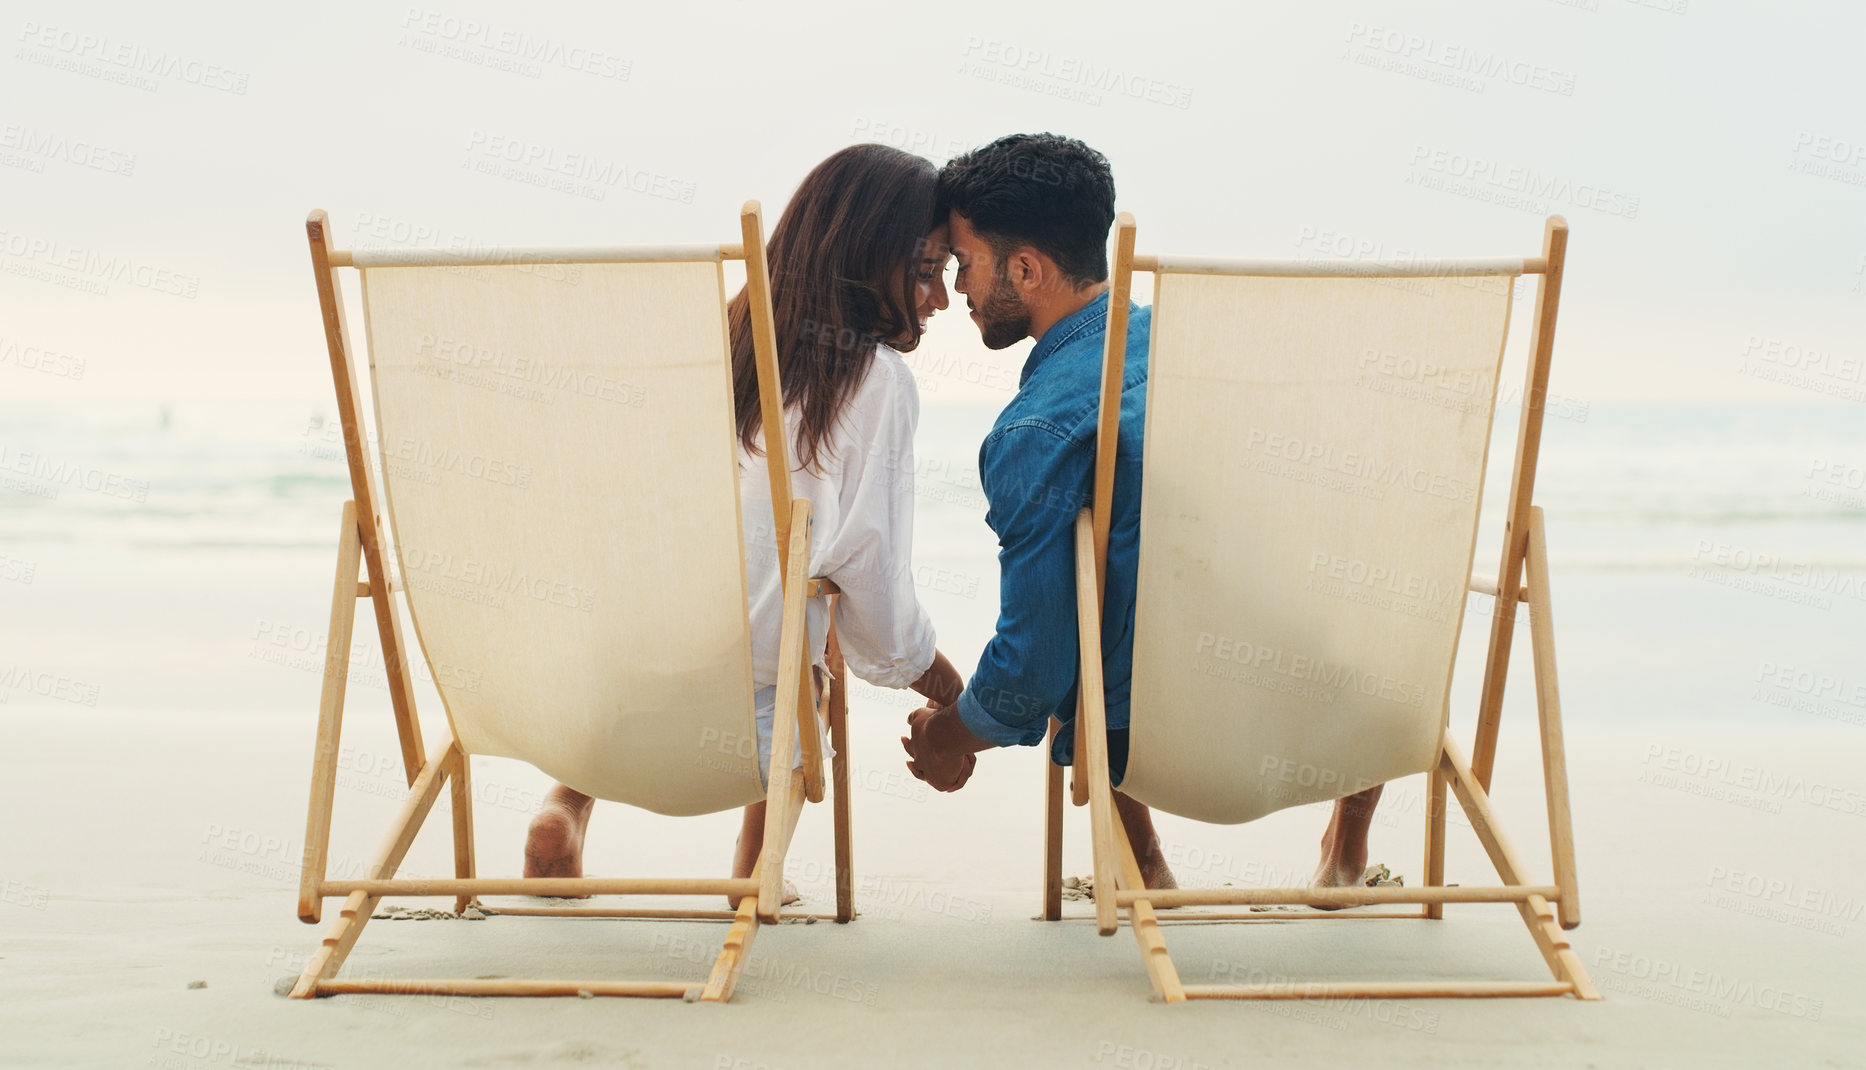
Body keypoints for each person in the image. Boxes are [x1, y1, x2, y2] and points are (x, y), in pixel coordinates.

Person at [898, 132, 1385, 895]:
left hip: (1163, 736)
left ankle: (1146, 863)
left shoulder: (1036, 432)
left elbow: (1036, 663)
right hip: (1351, 712)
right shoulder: (1239, 362)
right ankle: (1348, 842)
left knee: (1082, 597)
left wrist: (952, 733)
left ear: (1025, 269)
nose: (958, 288)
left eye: (966, 264)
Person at [525, 144, 967, 904]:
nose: (941, 300)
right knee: (806, 633)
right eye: (926, 271)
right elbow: (870, 577)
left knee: (727, 595)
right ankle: (754, 867)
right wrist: (943, 685)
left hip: (606, 691)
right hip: (750, 715)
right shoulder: (877, 382)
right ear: (864, 261)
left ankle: (563, 806)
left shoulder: (709, 350)